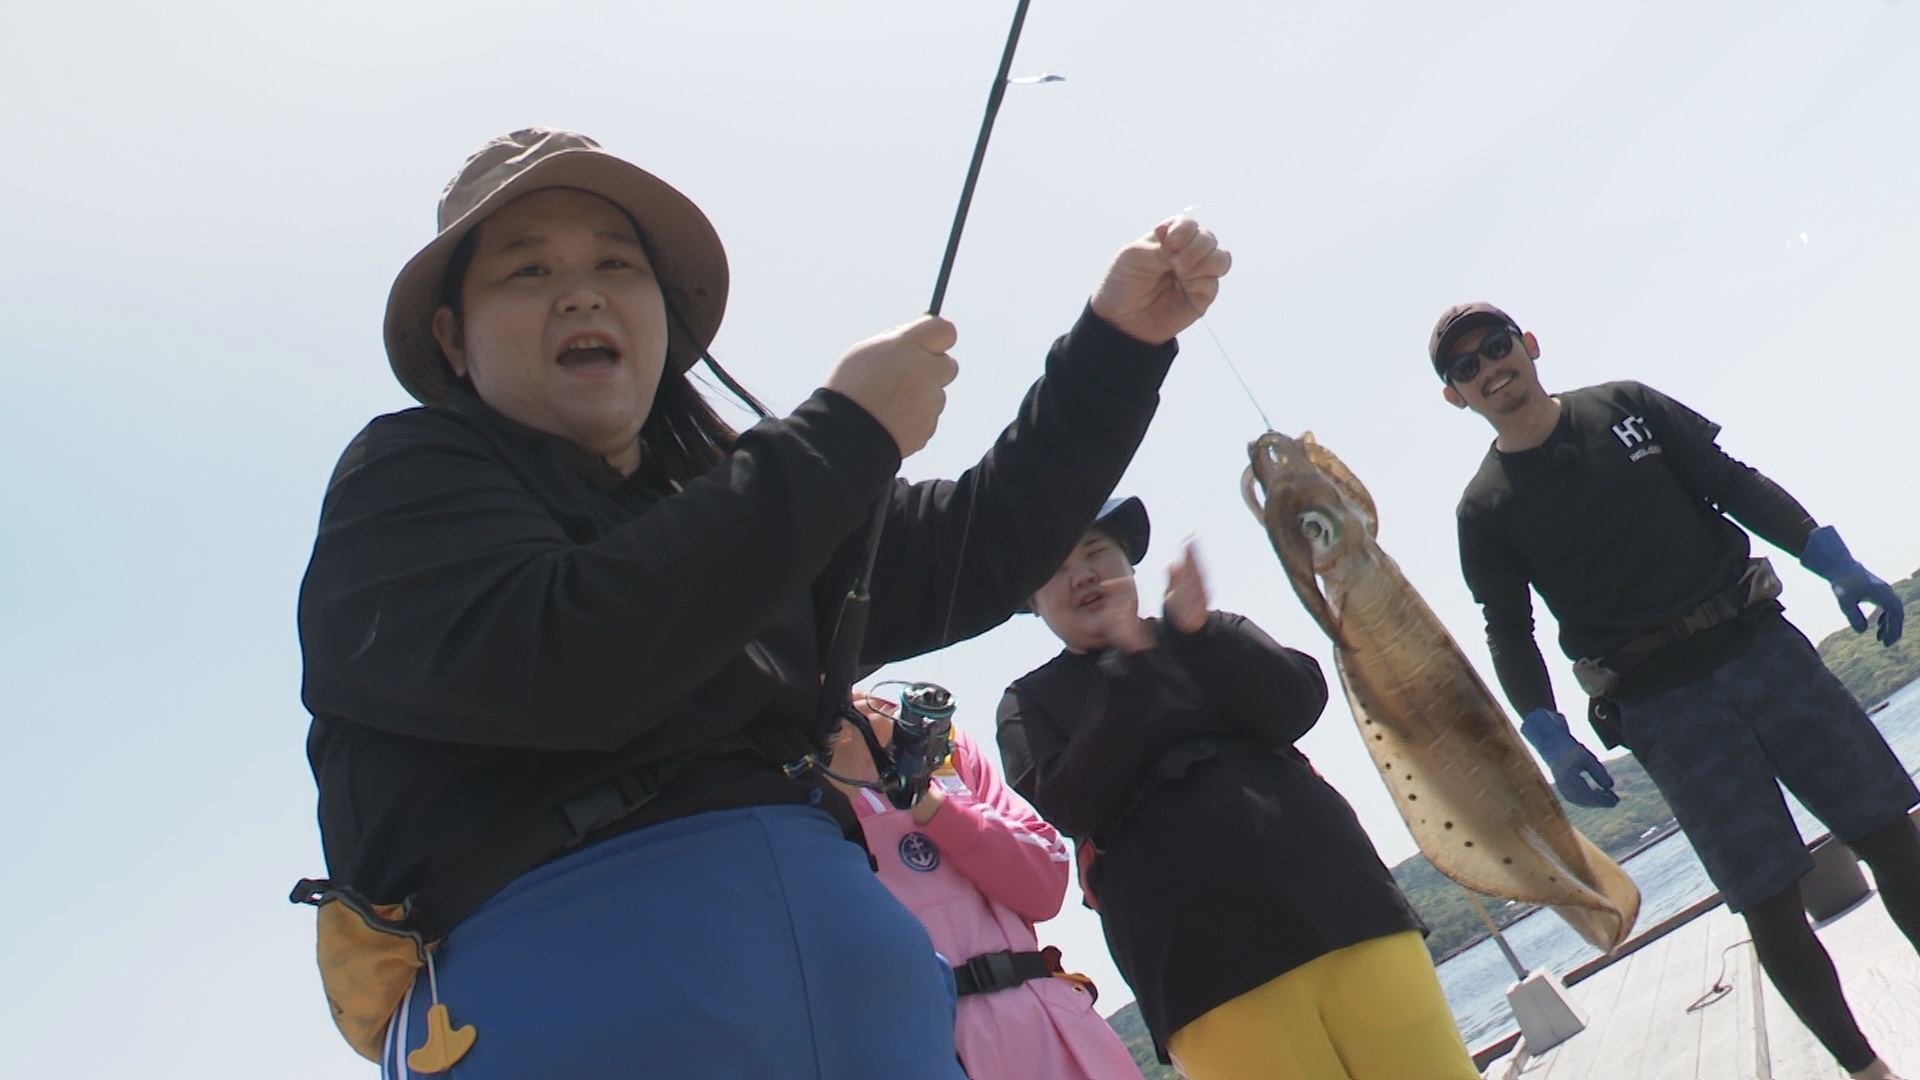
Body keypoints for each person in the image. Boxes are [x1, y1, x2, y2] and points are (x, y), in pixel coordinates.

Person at [294, 127, 1231, 1078]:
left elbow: (978, 543)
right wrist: (841, 437)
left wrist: (1117, 348)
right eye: (527, 270)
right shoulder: (402, 481)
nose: (581, 293)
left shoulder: (742, 500)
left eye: (616, 264)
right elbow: (575, 659)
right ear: (451, 337)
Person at [1432, 301, 1920, 1080]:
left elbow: (1732, 482)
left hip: (1762, 649)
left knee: (1892, 836)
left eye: (1497, 347)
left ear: (1529, 344)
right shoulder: (1484, 509)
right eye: (1467, 367)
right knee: (1770, 902)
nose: (1490, 368)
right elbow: (1509, 632)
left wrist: (1832, 560)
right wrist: (1548, 736)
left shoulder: (1627, 406)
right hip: (1664, 708)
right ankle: (1868, 1071)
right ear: (1455, 396)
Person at [996, 498, 1478, 1080]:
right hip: (1204, 978)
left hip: (1348, 912)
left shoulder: (1210, 631)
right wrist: (1129, 668)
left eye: (1095, 552)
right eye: (1057, 567)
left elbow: (1300, 700)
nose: (1082, 575)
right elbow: (1071, 802)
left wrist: (1200, 636)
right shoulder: (1027, 702)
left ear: (1128, 562)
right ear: (1033, 600)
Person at [821, 685, 1143, 1079]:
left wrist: (926, 800)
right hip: (920, 1048)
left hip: (1048, 1029)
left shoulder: (943, 745)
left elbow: (1046, 884)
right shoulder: (775, 783)